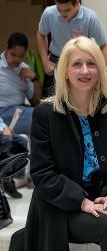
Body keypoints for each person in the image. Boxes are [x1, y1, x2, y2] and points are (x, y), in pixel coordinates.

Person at [11, 36, 107, 251]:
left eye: (91, 63)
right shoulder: (45, 114)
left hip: (102, 195)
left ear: (99, 70)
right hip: (61, 205)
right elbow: (42, 173)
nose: (85, 71)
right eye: (77, 64)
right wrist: (82, 201)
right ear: (64, 71)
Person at [37, 0, 107, 97]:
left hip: (80, 63)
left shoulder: (90, 17)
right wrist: (45, 61)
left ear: (76, 3)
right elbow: (41, 35)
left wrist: (100, 71)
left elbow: (104, 46)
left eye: (67, 10)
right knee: (49, 102)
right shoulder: (49, 13)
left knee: (79, 99)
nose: (62, 14)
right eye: (59, 9)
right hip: (56, 61)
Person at [0, 32, 38, 198]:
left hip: (19, 111)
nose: (16, 59)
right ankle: (26, 175)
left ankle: (33, 173)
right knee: (39, 118)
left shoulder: (24, 69)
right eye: (13, 54)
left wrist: (35, 78)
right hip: (3, 113)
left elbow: (36, 101)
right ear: (6, 50)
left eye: (21, 56)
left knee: (43, 116)